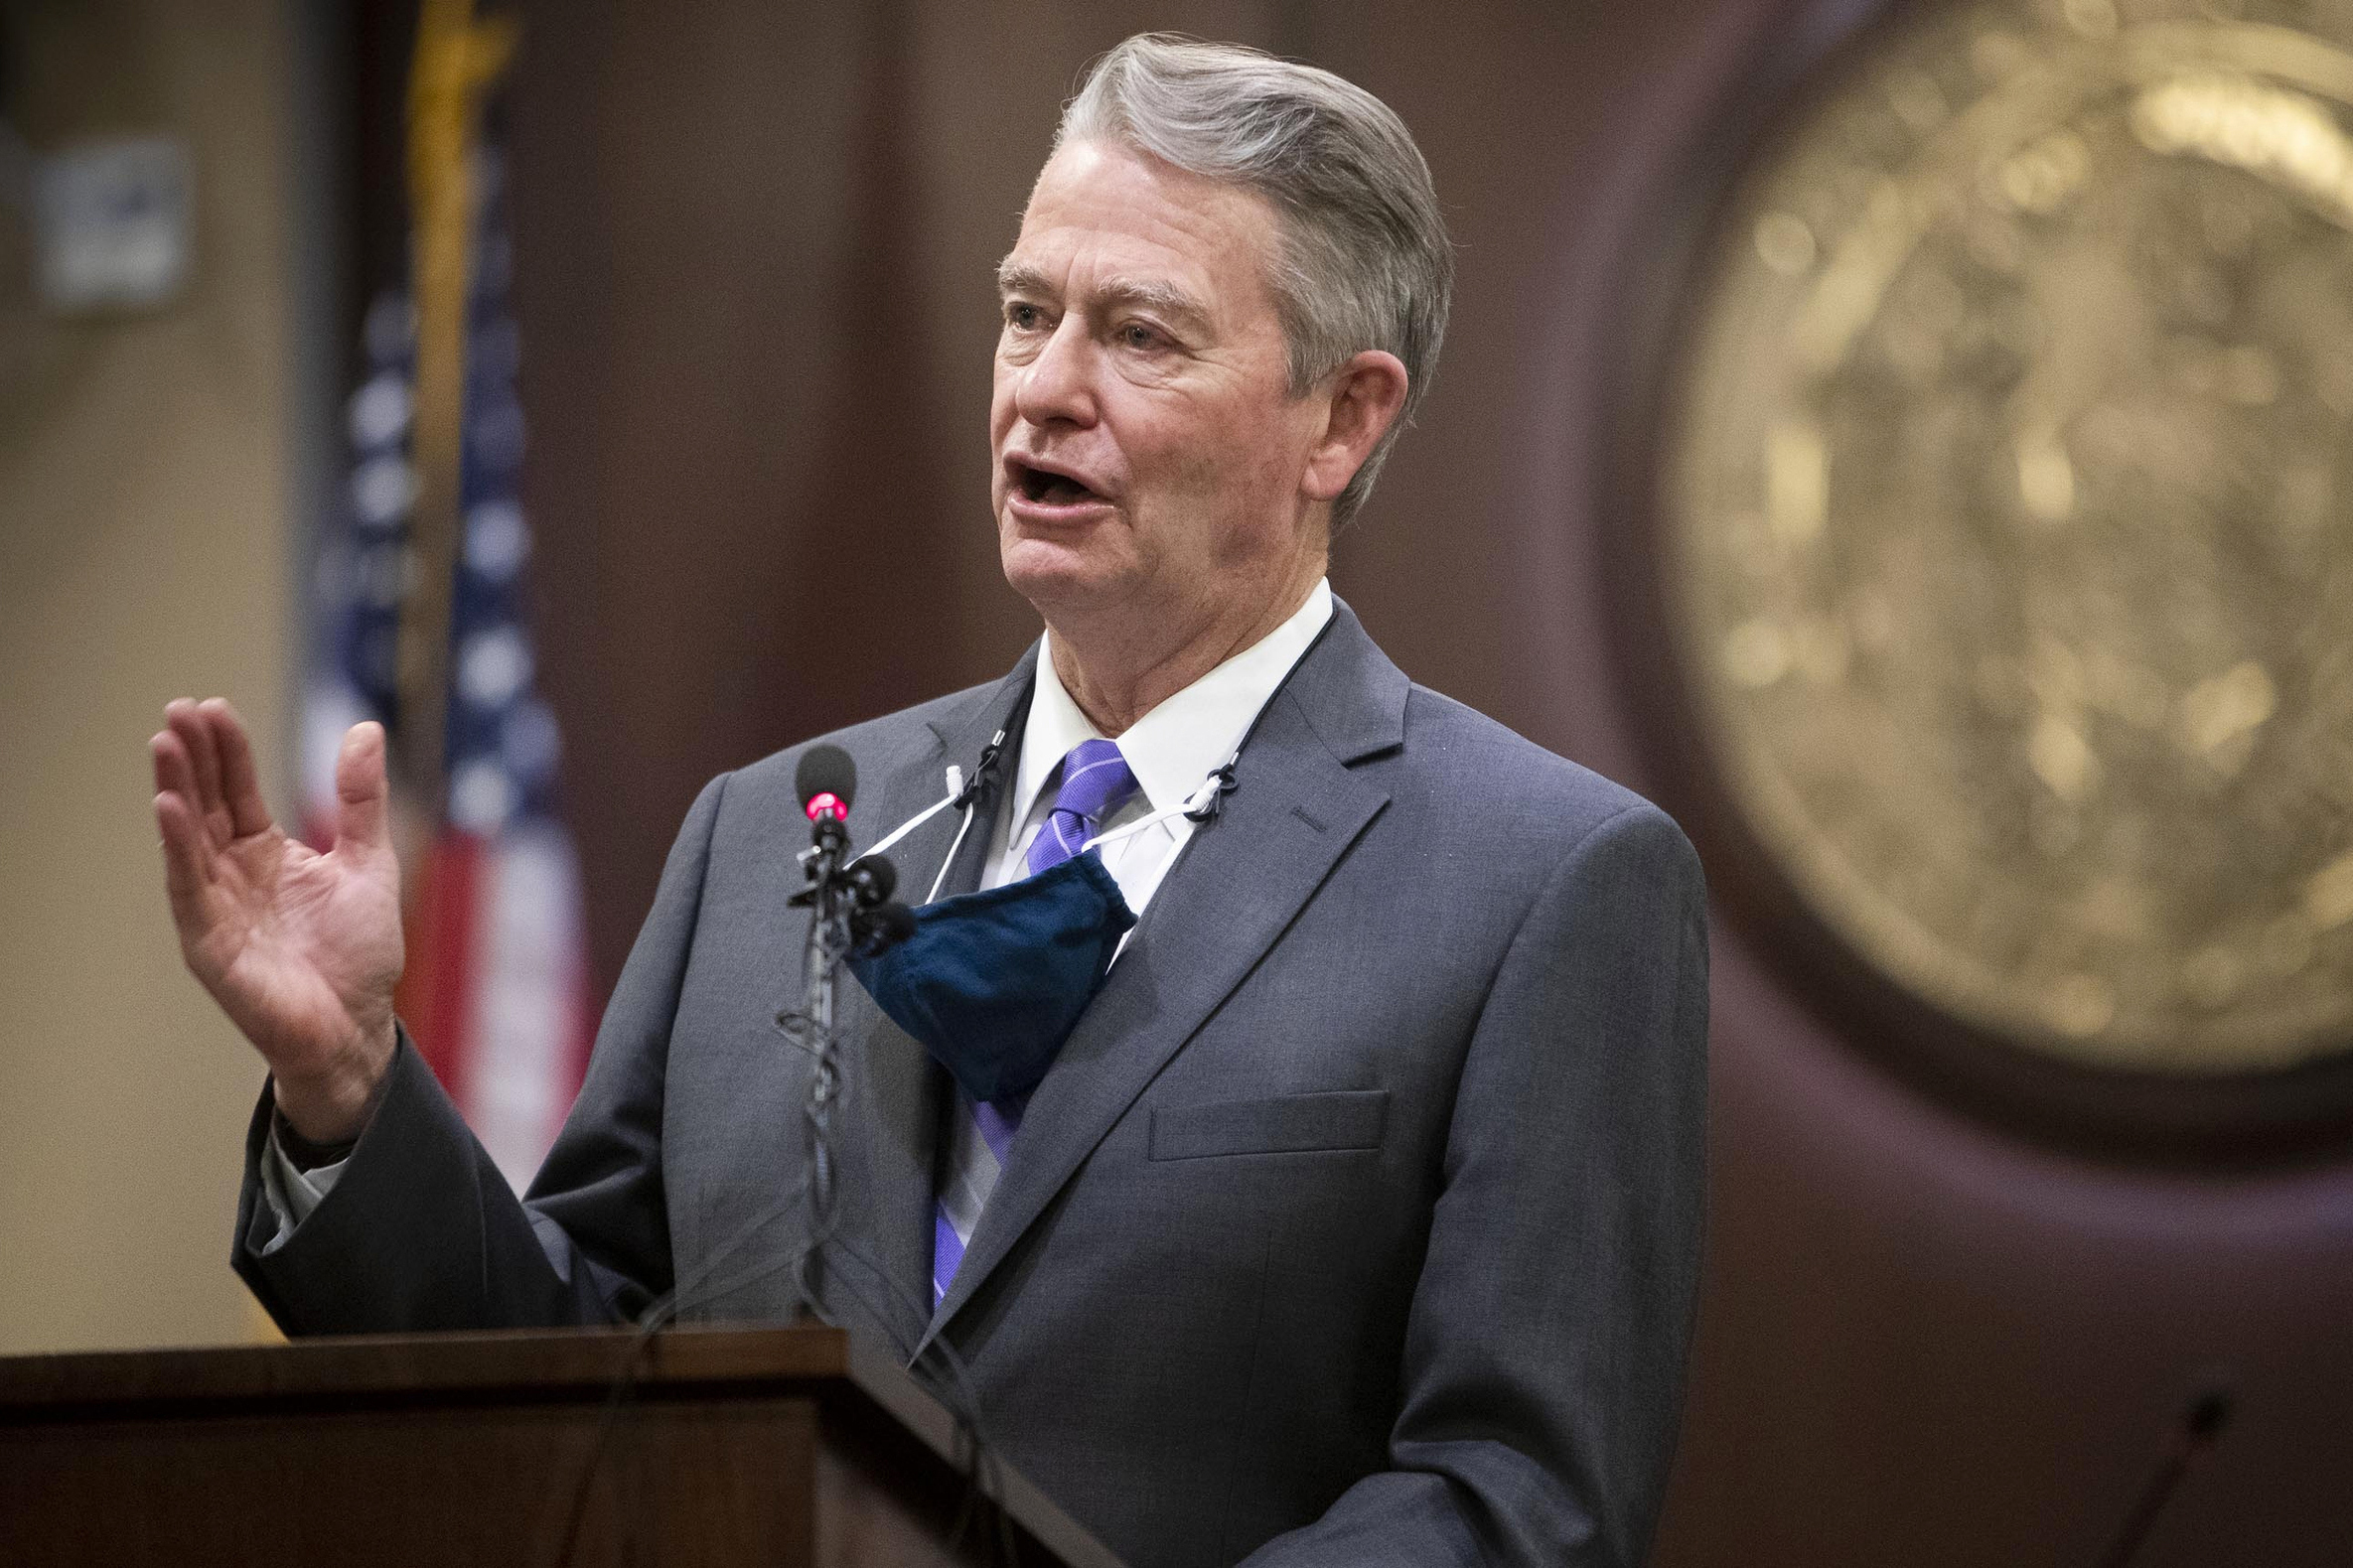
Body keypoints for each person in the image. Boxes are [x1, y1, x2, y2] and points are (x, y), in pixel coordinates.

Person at [152, 35, 1707, 1568]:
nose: (1044, 390)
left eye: (1140, 336)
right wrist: (352, 1089)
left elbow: (1516, 1502)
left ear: (1341, 418)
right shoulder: (769, 835)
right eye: (1024, 315)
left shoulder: (1539, 882)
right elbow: (574, 1380)